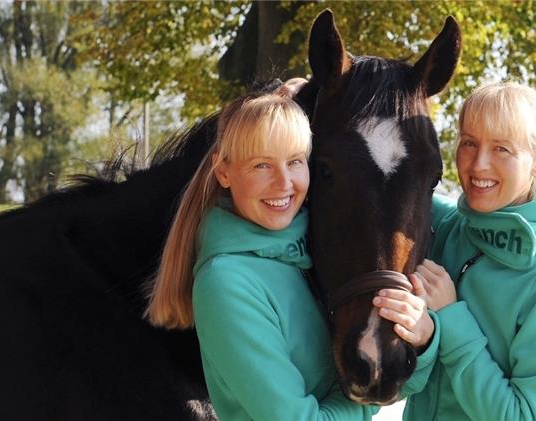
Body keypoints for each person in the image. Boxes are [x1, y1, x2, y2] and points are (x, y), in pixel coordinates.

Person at [373, 81, 536, 420]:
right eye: (469, 143)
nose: (478, 165)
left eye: (501, 149)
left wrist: (450, 320)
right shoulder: (447, 228)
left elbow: (523, 415)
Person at [144, 84, 375, 420]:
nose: (284, 183)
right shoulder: (226, 283)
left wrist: (424, 337)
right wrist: (368, 393)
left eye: (295, 161)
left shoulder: (310, 251)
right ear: (223, 172)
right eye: (261, 166)